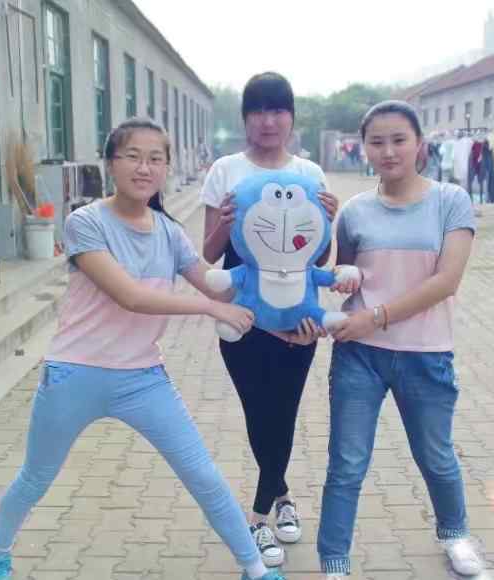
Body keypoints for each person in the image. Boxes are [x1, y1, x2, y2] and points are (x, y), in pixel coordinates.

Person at [0, 117, 286, 580]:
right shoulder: (85, 222)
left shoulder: (169, 231)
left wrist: (283, 279)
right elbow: (131, 297)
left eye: (155, 159)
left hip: (143, 379)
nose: (144, 168)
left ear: (166, 168)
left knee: (202, 474)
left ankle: (254, 568)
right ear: (111, 164)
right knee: (36, 477)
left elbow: (217, 285)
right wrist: (210, 308)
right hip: (74, 374)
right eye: (133, 156)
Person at [317, 101, 484, 578]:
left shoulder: (450, 201)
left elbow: (446, 281)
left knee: (436, 456)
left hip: (425, 354)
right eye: (377, 142)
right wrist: (339, 282)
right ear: (364, 148)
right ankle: (334, 561)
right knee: (346, 464)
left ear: (419, 144)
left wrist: (375, 317)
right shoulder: (354, 211)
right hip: (359, 356)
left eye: (398, 140)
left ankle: (455, 534)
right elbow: (348, 274)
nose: (388, 151)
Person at [200, 72, 340, 567]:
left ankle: (262, 513)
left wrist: (329, 218)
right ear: (244, 118)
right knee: (260, 415)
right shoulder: (225, 171)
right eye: (258, 110)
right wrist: (223, 222)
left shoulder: (311, 173)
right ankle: (276, 502)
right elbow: (208, 255)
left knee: (284, 412)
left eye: (278, 110)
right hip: (243, 321)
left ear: (291, 118)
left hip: (297, 322)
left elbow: (320, 257)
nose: (268, 121)